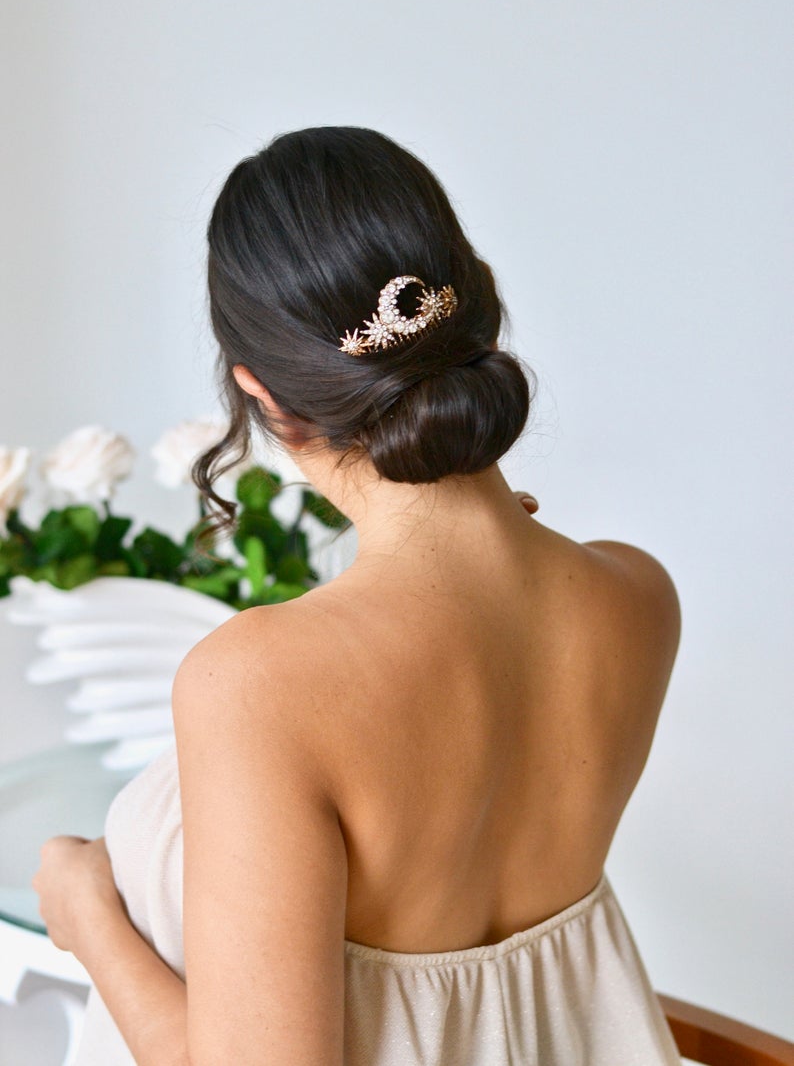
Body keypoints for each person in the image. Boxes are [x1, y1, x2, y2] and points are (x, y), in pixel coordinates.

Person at [33, 125, 682, 1065]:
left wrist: (86, 913)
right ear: (477, 310)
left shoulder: (261, 684)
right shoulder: (638, 594)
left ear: (260, 392)